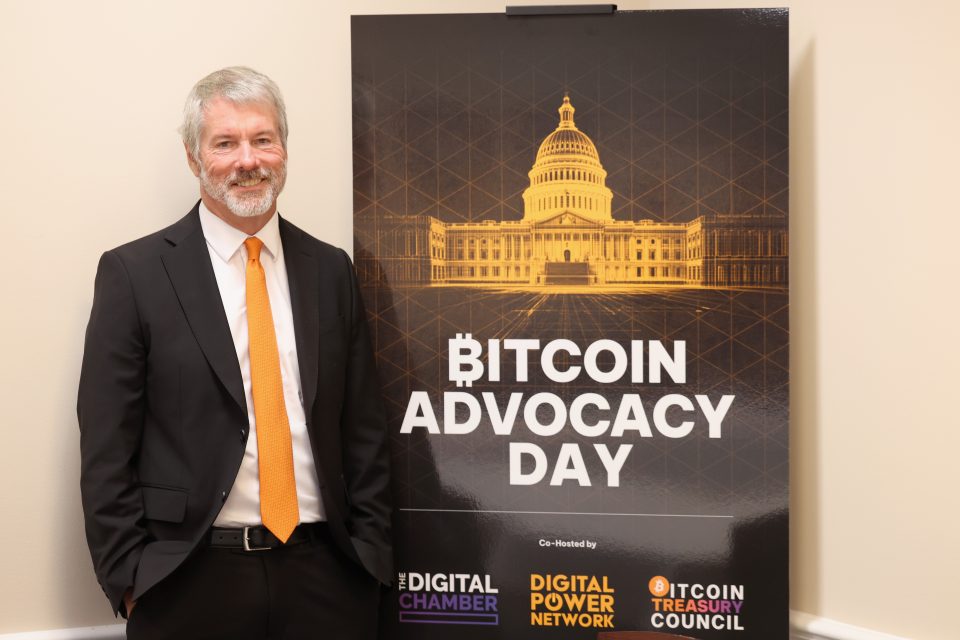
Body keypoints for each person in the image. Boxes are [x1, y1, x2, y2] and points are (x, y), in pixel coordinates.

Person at [77, 66, 392, 639]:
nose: (247, 160)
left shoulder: (331, 270)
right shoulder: (135, 274)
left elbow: (364, 430)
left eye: (262, 139)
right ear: (195, 159)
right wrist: (131, 579)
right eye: (225, 143)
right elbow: (106, 445)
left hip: (328, 575)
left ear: (283, 150)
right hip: (189, 580)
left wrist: (369, 556)